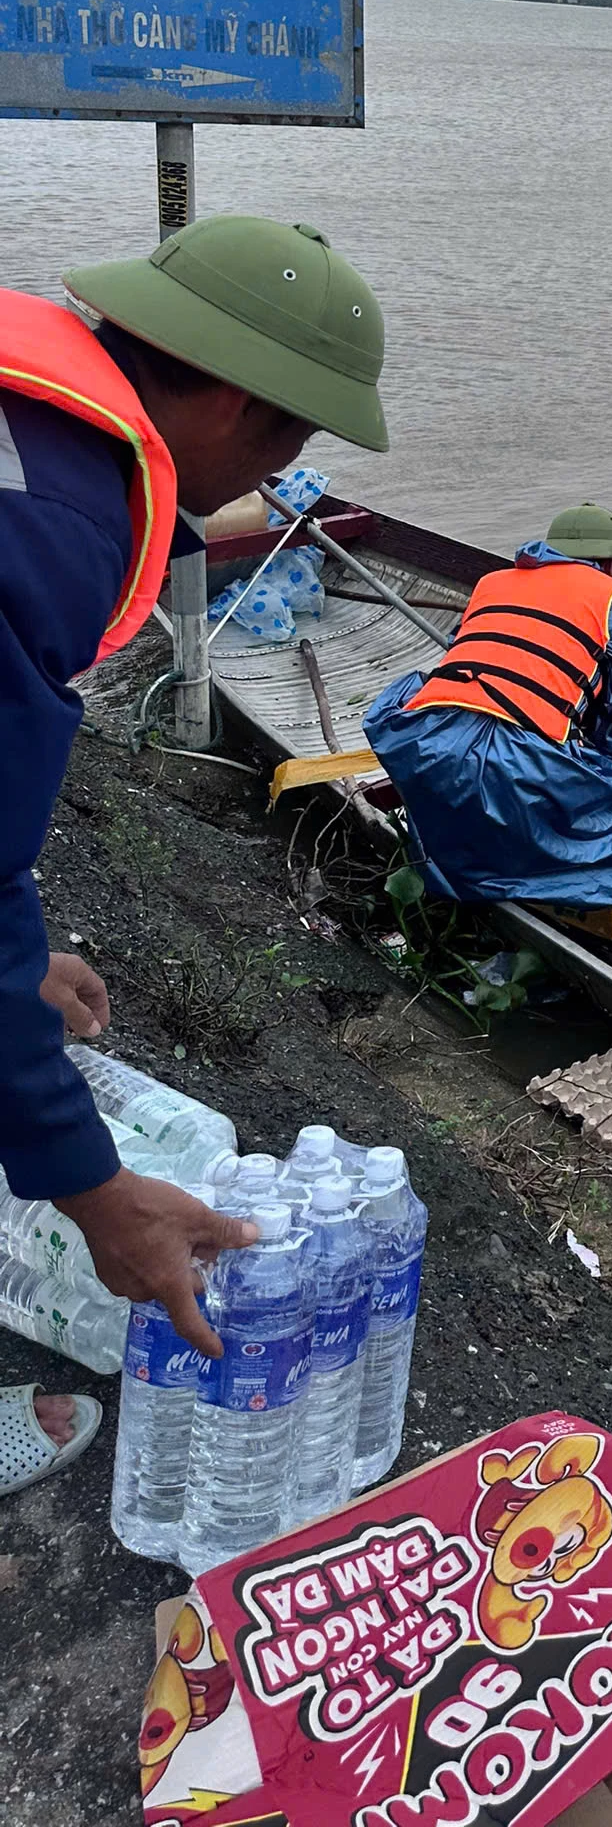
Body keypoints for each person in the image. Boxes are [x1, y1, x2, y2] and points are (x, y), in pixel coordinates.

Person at [1, 214, 391, 1481]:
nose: (279, 473)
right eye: (290, 434)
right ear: (225, 394)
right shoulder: (55, 528)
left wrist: (16, 962)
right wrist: (93, 1190)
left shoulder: (38, 413)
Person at [363, 505, 612, 997]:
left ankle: (461, 895)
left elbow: (474, 651)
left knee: (462, 794)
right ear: (605, 562)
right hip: (507, 748)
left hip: (425, 735)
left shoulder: (494, 582)